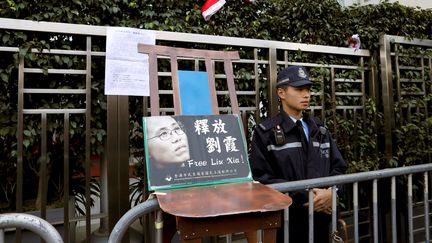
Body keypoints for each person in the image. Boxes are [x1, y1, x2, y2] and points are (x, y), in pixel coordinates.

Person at [249, 66, 347, 243]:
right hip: (289, 224)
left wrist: (333, 193)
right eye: (299, 89)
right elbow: (261, 178)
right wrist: (308, 195)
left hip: (324, 222)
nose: (306, 94)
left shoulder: (320, 130)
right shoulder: (266, 133)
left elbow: (339, 168)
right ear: (281, 93)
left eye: (308, 89)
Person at [146, 116, 191, 186]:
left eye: (177, 128)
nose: (177, 138)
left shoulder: (202, 174)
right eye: (164, 133)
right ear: (147, 148)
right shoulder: (155, 186)